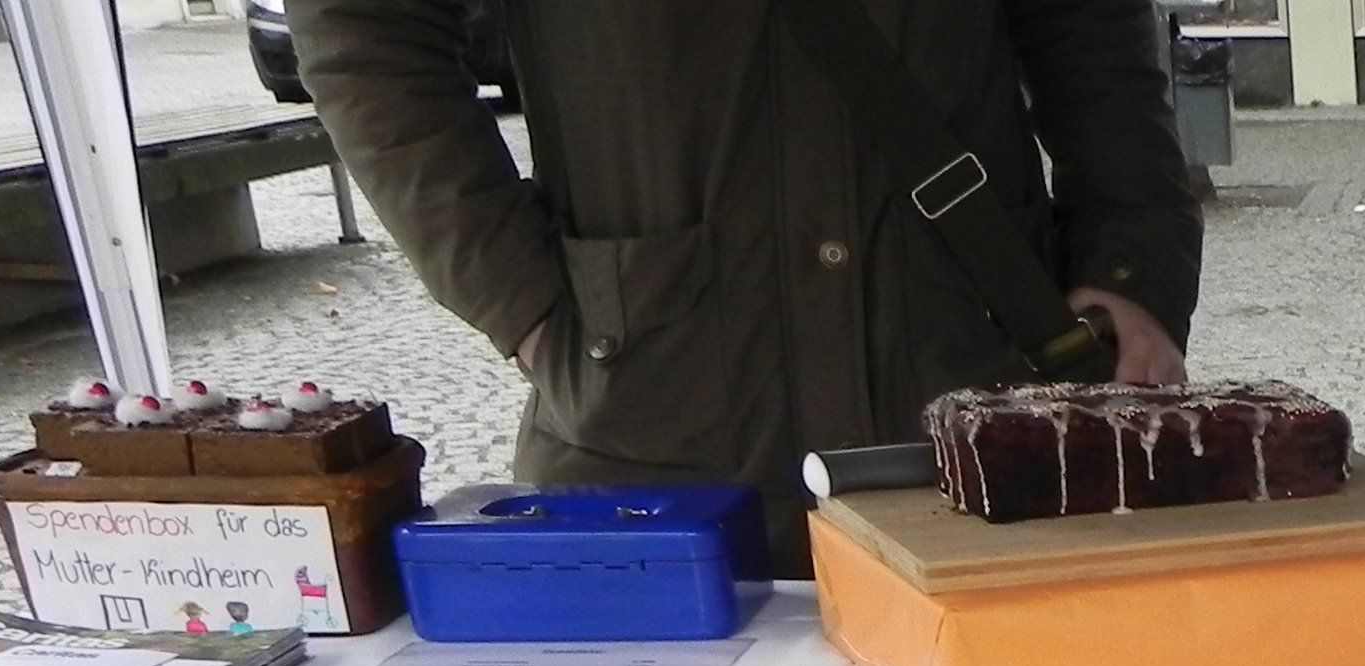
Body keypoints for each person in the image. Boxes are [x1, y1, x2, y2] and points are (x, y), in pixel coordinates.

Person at [290, 0, 1205, 572]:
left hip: (977, 372)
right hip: (654, 411)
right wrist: (517, 297)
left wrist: (1131, 262)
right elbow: (363, 28)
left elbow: (1090, 28)